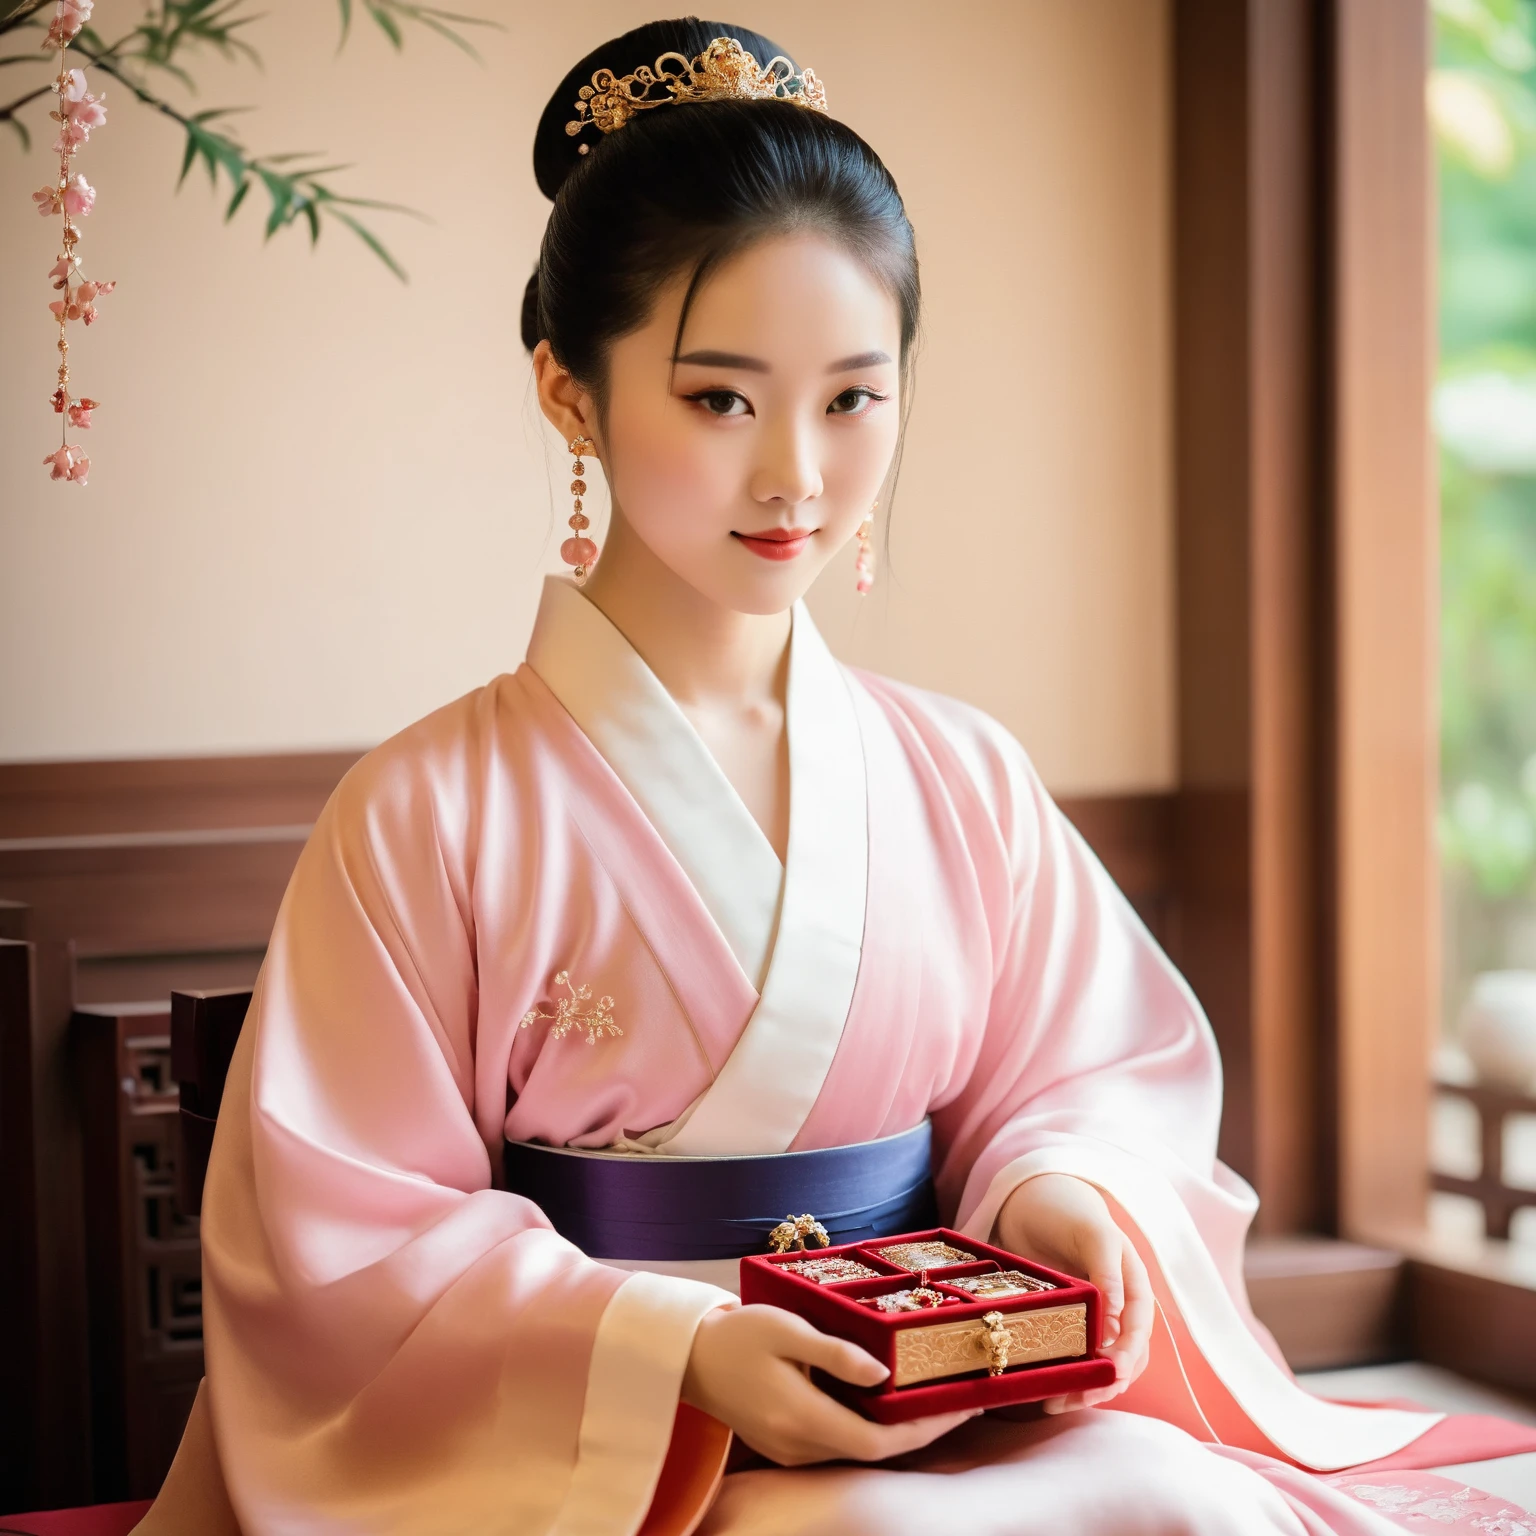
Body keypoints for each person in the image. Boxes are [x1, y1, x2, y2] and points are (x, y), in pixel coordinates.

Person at [137, 18, 1525, 1535]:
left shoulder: (961, 773)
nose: (796, 471)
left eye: (853, 398)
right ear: (568, 393)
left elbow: (1085, 1079)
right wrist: (688, 1353)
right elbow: (358, 1242)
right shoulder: (424, 815)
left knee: (1175, 1495)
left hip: (945, 1402)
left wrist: (1056, 1204)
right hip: (619, 1458)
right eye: (722, 398)